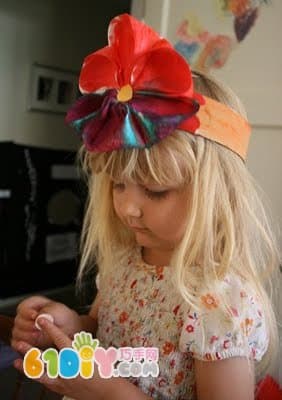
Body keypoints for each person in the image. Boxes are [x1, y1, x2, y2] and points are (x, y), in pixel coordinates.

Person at [11, 13, 279, 400]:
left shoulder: (218, 304)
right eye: (119, 185)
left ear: (215, 196)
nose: (129, 208)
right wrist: (72, 324)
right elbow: (108, 338)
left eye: (155, 192)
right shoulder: (126, 262)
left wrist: (112, 393)